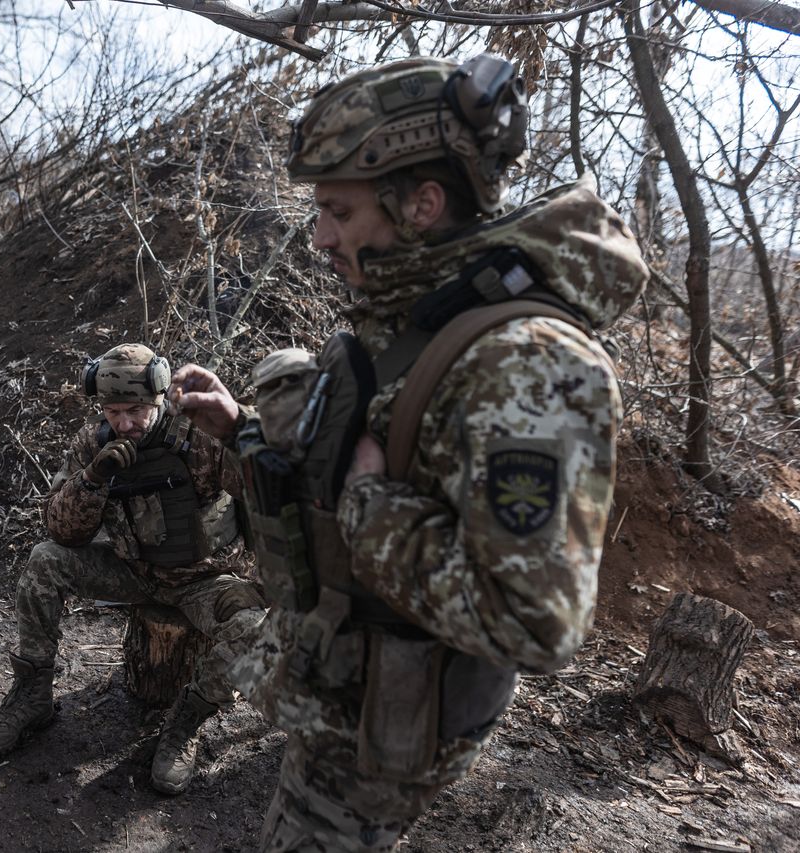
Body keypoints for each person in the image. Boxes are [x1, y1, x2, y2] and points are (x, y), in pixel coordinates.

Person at [169, 54, 648, 850]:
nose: (319, 236)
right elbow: (363, 457)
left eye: (338, 212)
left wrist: (368, 510)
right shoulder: (410, 314)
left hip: (383, 742)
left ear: (421, 203)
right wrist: (243, 430)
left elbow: (536, 621)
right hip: (331, 701)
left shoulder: (527, 363)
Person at [0, 343, 266, 796]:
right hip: (131, 570)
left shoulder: (199, 436)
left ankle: (187, 721)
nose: (124, 423)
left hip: (204, 581)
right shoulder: (93, 443)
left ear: (159, 400)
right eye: (112, 411)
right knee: (45, 561)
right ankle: (32, 696)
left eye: (135, 410)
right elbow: (62, 531)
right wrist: (92, 479)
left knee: (252, 627)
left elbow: (265, 487)